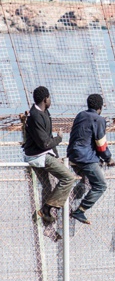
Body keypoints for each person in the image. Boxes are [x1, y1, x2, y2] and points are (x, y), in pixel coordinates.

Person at [23, 86, 76, 224]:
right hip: (38, 155)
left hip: (46, 154)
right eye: (49, 98)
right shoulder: (35, 116)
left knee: (49, 187)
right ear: (45, 99)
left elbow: (47, 140)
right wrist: (59, 138)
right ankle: (46, 209)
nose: (50, 100)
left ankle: (46, 219)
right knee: (68, 178)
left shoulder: (45, 112)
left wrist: (56, 155)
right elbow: (44, 143)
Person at [67, 94, 115, 224]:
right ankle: (80, 210)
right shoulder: (98, 119)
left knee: (85, 182)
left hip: (73, 155)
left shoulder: (80, 115)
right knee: (100, 185)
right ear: (101, 107)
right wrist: (108, 158)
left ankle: (67, 202)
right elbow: (101, 144)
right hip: (85, 158)